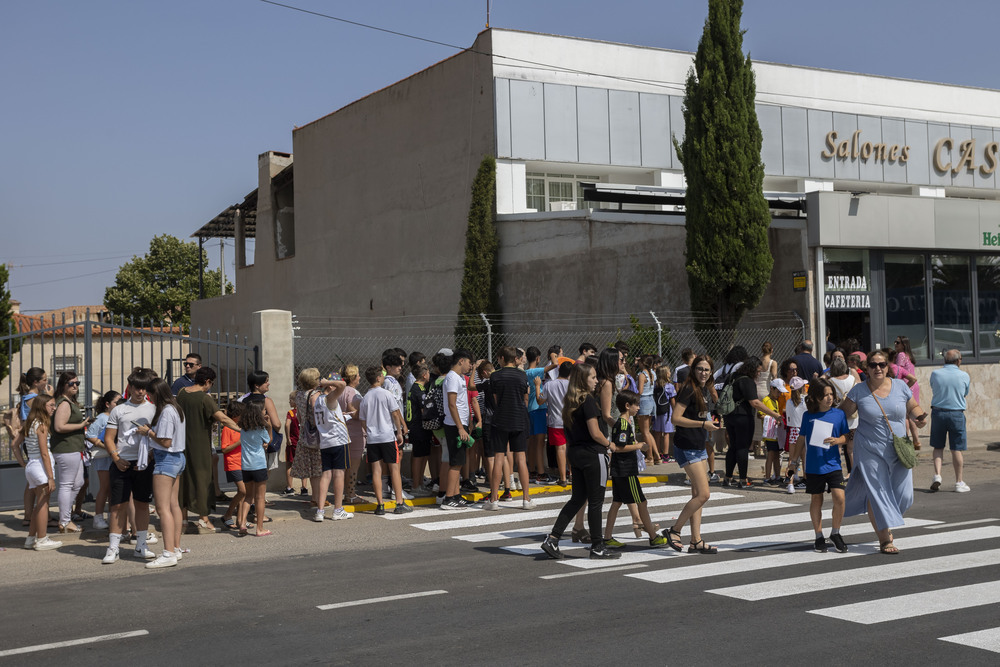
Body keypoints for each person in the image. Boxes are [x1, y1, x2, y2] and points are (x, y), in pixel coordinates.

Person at [838, 350, 928, 554]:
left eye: (882, 364)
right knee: (878, 494)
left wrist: (919, 418)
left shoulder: (900, 386)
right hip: (869, 448)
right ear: (866, 368)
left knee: (905, 496)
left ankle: (885, 517)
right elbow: (842, 413)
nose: (878, 368)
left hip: (899, 448)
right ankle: (885, 538)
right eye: (873, 365)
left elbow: (913, 407)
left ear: (888, 367)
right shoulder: (858, 391)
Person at [539, 363, 620, 560]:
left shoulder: (570, 401)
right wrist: (610, 444)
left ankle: (553, 538)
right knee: (596, 502)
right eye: (592, 377)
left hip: (575, 453)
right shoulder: (588, 401)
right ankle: (598, 546)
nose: (596, 380)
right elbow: (595, 432)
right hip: (593, 454)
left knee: (577, 499)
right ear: (584, 380)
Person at [661, 355, 720, 555]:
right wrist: (703, 424)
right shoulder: (688, 389)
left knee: (697, 495)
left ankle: (696, 541)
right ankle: (675, 530)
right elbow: (676, 418)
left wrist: (709, 422)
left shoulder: (703, 389)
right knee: (704, 494)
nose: (703, 373)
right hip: (687, 446)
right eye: (700, 369)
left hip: (698, 445)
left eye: (707, 370)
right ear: (693, 370)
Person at [102, 368, 157, 564]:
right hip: (121, 463)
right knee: (117, 506)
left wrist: (150, 456)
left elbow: (158, 437)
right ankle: (113, 548)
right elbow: (109, 438)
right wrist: (116, 458)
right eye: (136, 388)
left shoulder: (153, 409)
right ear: (130, 387)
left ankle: (141, 545)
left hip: (144, 463)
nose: (140, 392)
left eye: (143, 388)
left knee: (142, 504)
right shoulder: (119, 410)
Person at [177, 367, 241, 534]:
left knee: (184, 481)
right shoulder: (204, 398)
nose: (210, 387)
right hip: (200, 445)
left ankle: (183, 520)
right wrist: (242, 430)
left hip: (181, 444)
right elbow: (222, 418)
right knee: (204, 480)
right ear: (207, 382)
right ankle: (203, 519)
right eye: (211, 383)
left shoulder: (182, 392)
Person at [789, 378, 850, 553]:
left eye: (831, 394)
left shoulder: (838, 415)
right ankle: (818, 536)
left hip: (834, 465)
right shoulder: (808, 416)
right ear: (815, 397)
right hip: (814, 467)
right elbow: (801, 439)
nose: (829, 398)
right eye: (825, 395)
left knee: (840, 498)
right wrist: (793, 463)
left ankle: (836, 533)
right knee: (817, 499)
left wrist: (838, 440)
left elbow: (846, 436)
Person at [603, 390, 669, 549]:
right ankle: (653, 537)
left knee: (617, 503)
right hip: (626, 471)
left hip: (619, 470)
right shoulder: (623, 424)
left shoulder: (622, 423)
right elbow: (619, 447)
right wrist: (640, 445)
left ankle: (607, 538)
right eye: (636, 405)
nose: (639, 408)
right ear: (627, 406)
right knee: (642, 502)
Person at [136, 378, 188, 568]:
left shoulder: (166, 411)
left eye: (150, 394)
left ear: (155, 393)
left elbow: (165, 441)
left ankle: (168, 553)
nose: (148, 397)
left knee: (162, 508)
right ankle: (174, 548)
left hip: (167, 459)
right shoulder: (176, 408)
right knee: (173, 505)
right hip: (177, 458)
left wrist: (147, 432)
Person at [11, 395, 62, 551]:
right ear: (42, 406)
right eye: (51, 405)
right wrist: (51, 478)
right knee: (43, 505)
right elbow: (44, 453)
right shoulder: (41, 425)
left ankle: (31, 539)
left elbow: (14, 445)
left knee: (38, 505)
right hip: (40, 467)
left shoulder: (30, 423)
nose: (54, 408)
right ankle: (42, 539)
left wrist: (24, 464)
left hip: (33, 466)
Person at [358, 366, 410, 515]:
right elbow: (395, 414)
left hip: (373, 438)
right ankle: (399, 502)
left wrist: (368, 431)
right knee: (394, 469)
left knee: (376, 470)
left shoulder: (365, 397)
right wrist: (399, 432)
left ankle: (380, 504)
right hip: (387, 436)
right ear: (379, 378)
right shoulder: (386, 394)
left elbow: (362, 420)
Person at [721, 358, 781, 489]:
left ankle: (727, 478)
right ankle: (743, 480)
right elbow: (755, 402)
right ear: (752, 369)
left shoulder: (732, 377)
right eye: (758, 371)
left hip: (729, 416)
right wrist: (775, 415)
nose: (758, 374)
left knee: (733, 447)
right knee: (743, 448)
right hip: (743, 417)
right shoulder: (747, 381)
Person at [485, 346, 533, 511]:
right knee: (521, 459)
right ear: (515, 359)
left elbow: (497, 399)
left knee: (499, 458)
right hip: (519, 418)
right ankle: (526, 499)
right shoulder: (522, 375)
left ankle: (494, 499)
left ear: (502, 359)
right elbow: (525, 397)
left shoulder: (495, 376)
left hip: (501, 420)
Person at [49, 371, 93, 533]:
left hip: (74, 448)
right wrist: (81, 425)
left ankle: (66, 515)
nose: (75, 386)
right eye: (71, 383)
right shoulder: (64, 403)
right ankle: (65, 521)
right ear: (63, 385)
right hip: (66, 449)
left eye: (77, 383)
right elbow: (60, 426)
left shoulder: (67, 401)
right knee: (67, 485)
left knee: (79, 483)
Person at [311, 374, 354, 521]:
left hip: (325, 441)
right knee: (339, 474)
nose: (338, 385)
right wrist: (327, 382)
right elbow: (342, 386)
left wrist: (340, 415)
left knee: (326, 474)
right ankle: (338, 509)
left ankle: (320, 511)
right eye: (334, 383)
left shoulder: (318, 400)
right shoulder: (329, 397)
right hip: (338, 440)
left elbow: (329, 415)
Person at [929, 349, 971, 493]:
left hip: (938, 412)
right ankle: (959, 482)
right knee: (956, 449)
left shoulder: (935, 374)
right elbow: (965, 392)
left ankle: (937, 475)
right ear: (958, 360)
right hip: (956, 413)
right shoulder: (964, 375)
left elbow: (933, 388)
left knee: (938, 446)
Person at [440, 350, 478, 510]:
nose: (470, 366)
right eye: (470, 363)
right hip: (454, 426)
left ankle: (456, 495)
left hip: (461, 424)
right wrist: (460, 428)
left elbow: (465, 400)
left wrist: (467, 423)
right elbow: (452, 404)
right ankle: (448, 498)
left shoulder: (461, 378)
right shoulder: (452, 378)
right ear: (461, 361)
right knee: (455, 463)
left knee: (460, 461)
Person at [235, 402, 273, 537]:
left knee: (248, 497)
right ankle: (260, 528)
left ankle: (243, 524)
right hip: (259, 465)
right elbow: (268, 440)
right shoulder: (261, 428)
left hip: (246, 466)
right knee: (260, 498)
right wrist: (268, 425)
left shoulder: (243, 430)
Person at [85, 390, 121, 530]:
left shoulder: (116, 416)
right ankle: (98, 517)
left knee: (113, 488)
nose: (118, 405)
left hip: (113, 456)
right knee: (105, 487)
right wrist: (105, 446)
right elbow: (90, 435)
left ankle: (112, 515)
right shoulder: (102, 418)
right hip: (104, 457)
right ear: (107, 404)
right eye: (115, 402)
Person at [540, 360, 573, 487]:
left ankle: (563, 477)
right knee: (570, 446)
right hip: (570, 420)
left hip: (555, 421)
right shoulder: (572, 385)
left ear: (559, 370)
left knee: (560, 448)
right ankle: (572, 475)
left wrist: (538, 387)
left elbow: (540, 401)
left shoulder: (549, 385)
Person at [826, 356, 858, 472]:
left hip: (838, 418)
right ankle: (854, 473)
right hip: (854, 419)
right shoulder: (853, 379)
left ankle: (836, 472)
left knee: (837, 447)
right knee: (851, 450)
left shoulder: (830, 382)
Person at [337, 365, 364, 504]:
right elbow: (354, 412)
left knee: (342, 467)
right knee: (353, 467)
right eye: (358, 375)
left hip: (340, 432)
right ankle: (351, 494)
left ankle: (344, 493)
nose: (360, 377)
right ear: (353, 377)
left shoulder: (338, 391)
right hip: (353, 432)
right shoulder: (352, 392)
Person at [220, 401, 247, 530]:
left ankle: (240, 519)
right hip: (232, 463)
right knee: (243, 491)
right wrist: (239, 442)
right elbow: (224, 449)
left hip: (242, 462)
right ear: (236, 415)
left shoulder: (240, 427)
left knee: (242, 493)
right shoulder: (228, 428)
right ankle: (228, 514)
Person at [892, 336, 922, 450]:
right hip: (913, 386)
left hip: (906, 386)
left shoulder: (901, 355)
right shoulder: (909, 355)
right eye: (895, 342)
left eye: (898, 342)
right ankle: (916, 441)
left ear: (903, 344)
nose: (895, 344)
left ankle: (906, 439)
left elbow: (898, 371)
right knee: (912, 415)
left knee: (905, 415)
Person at [634, 355, 658, 464]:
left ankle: (650, 457)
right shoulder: (652, 373)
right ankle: (656, 455)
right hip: (651, 400)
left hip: (643, 401)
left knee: (645, 432)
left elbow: (639, 391)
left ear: (643, 363)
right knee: (647, 431)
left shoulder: (642, 375)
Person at [651, 365, 676, 463]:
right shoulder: (669, 386)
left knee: (657, 433)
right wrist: (675, 412)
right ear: (666, 374)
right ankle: (666, 455)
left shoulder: (655, 385)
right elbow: (672, 400)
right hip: (667, 412)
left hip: (657, 412)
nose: (670, 372)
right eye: (669, 371)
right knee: (666, 433)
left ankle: (657, 454)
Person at [282, 392, 303, 495]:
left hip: (293, 442)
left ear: (295, 401)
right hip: (302, 442)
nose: (289, 401)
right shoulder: (303, 412)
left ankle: (289, 487)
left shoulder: (290, 413)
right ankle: (304, 488)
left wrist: (288, 438)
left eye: (290, 400)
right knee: (304, 465)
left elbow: (287, 425)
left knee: (289, 464)